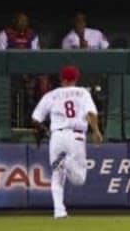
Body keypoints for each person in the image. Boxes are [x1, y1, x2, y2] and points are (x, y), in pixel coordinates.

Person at [31, 65, 103, 219]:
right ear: (76, 78)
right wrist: (96, 131)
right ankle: (65, 163)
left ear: (61, 78)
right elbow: (91, 113)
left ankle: (59, 211)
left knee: (57, 177)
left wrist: (43, 130)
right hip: (76, 136)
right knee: (79, 179)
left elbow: (35, 119)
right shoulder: (83, 92)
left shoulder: (52, 95)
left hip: (57, 136)